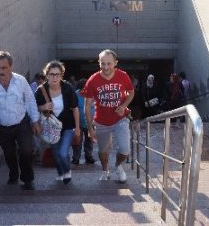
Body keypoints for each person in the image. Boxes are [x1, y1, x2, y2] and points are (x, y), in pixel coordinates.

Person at [0, 51, 41, 190]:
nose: (0, 71)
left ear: (11, 67)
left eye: (3, 68)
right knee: (9, 153)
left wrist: (35, 120)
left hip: (22, 123)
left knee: (27, 150)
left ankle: (27, 179)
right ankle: (13, 174)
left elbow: (29, 100)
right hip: (1, 127)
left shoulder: (20, 81)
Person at [82, 49, 134, 183]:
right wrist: (90, 128)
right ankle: (105, 170)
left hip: (120, 119)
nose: (106, 67)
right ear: (99, 63)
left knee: (125, 149)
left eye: (109, 64)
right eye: (102, 64)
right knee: (103, 151)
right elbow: (87, 106)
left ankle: (118, 166)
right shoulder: (93, 80)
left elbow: (131, 92)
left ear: (115, 63)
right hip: (101, 122)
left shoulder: (123, 76)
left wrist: (123, 106)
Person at [34, 61, 80, 184]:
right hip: (51, 127)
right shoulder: (41, 90)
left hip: (67, 126)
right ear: (47, 75)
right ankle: (60, 172)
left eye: (57, 74)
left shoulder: (67, 88)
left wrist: (78, 127)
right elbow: (34, 108)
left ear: (61, 76)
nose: (55, 77)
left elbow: (75, 108)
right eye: (52, 74)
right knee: (55, 153)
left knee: (63, 152)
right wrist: (43, 107)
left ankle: (67, 171)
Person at [72, 78, 96, 165]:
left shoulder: (93, 94)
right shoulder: (75, 94)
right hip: (78, 122)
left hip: (90, 121)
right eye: (83, 89)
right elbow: (73, 108)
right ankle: (76, 158)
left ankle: (88, 156)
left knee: (89, 140)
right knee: (77, 140)